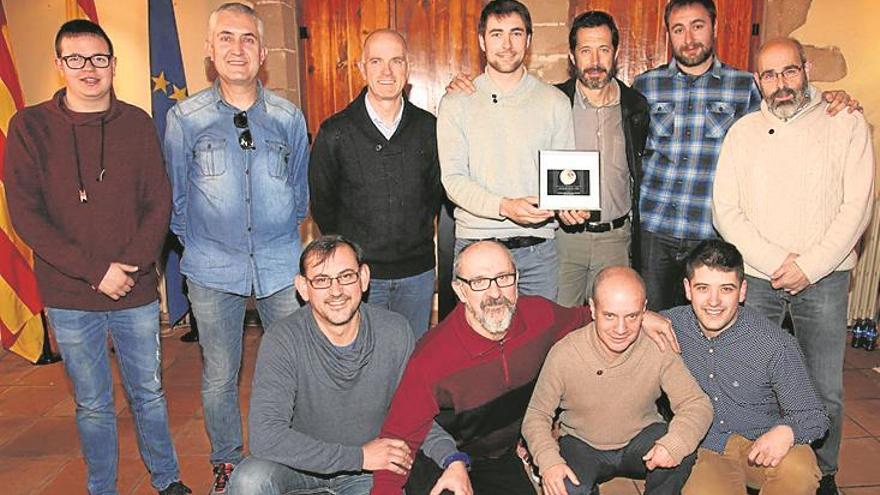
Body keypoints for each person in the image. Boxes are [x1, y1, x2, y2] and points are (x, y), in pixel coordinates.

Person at [3, 19, 189, 495]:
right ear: (59, 65)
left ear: (113, 64)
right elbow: (26, 215)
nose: (89, 68)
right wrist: (96, 272)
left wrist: (130, 266)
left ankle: (167, 480)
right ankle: (101, 487)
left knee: (149, 394)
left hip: (135, 289)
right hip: (70, 295)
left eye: (99, 58)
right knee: (92, 403)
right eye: (76, 59)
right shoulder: (28, 127)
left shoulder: (138, 123)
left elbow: (159, 201)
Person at [370, 240, 680, 495]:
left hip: (499, 458)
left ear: (517, 282)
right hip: (442, 457)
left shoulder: (539, 317)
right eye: (479, 282)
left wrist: (645, 317)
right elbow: (397, 441)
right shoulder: (431, 356)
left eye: (504, 278)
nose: (494, 293)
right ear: (460, 291)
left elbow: (585, 317)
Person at [712, 38, 874, 495]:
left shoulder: (846, 122)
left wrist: (812, 265)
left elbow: (858, 205)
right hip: (759, 278)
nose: (781, 84)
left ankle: (824, 473)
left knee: (824, 387)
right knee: (749, 376)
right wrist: (775, 261)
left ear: (805, 69)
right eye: (769, 75)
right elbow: (725, 209)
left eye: (789, 72)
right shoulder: (742, 132)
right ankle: (755, 463)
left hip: (825, 278)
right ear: (757, 80)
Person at [163, 3, 309, 492]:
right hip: (211, 268)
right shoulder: (185, 119)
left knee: (290, 368)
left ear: (263, 52)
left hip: (278, 264)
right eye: (226, 37)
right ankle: (227, 463)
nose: (237, 48)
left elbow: (299, 196)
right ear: (210, 50)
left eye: (247, 38)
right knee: (220, 376)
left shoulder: (289, 118)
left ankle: (289, 458)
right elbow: (177, 202)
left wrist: (270, 239)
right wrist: (208, 247)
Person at [634, 0, 856, 311]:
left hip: (711, 233)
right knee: (652, 323)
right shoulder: (645, 85)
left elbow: (789, 109)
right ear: (668, 35)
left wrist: (831, 97)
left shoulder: (745, 87)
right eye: (678, 29)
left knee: (709, 328)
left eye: (698, 26)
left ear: (714, 28)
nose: (689, 38)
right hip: (654, 230)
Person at [226, 236, 454, 495]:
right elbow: (265, 436)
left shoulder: (394, 331)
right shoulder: (283, 339)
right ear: (303, 287)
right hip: (299, 466)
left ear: (364, 278)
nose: (336, 291)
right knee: (249, 480)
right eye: (321, 280)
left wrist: (452, 459)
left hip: (365, 473)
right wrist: (357, 457)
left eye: (346, 276)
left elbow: (417, 412)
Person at [522, 267, 712, 495]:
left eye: (631, 316)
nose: (621, 330)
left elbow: (697, 404)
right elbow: (536, 415)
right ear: (592, 309)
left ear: (644, 310)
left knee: (682, 449)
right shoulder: (564, 353)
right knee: (566, 487)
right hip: (582, 443)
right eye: (610, 315)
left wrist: (674, 444)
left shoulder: (657, 347)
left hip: (640, 441)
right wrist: (549, 462)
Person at [664, 240, 829, 495]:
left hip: (763, 440)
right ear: (688, 289)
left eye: (726, 289)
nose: (714, 301)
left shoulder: (775, 343)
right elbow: (619, 320)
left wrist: (787, 431)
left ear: (742, 291)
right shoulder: (669, 325)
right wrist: (643, 318)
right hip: (707, 446)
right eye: (703, 288)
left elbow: (814, 415)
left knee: (799, 472)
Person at [437, 0, 577, 301]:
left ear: (528, 40)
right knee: (478, 346)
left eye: (516, 33)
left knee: (538, 344)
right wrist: (505, 207)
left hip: (538, 253)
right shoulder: (456, 103)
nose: (507, 44)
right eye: (496, 34)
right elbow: (453, 181)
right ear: (481, 41)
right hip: (476, 247)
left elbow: (565, 179)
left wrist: (572, 206)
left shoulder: (555, 102)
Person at [309, 29, 442, 337]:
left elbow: (435, 194)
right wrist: (350, 261)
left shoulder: (429, 129)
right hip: (359, 276)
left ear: (408, 68)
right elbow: (323, 204)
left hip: (417, 274)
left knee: (412, 361)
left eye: (396, 61)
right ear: (361, 68)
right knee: (363, 361)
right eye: (376, 61)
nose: (386, 71)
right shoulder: (335, 132)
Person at [553, 11, 649, 307]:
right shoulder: (553, 102)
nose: (595, 61)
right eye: (585, 50)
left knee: (615, 324)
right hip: (564, 241)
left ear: (616, 53)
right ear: (572, 56)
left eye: (603, 49)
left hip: (615, 240)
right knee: (559, 325)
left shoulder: (634, 105)